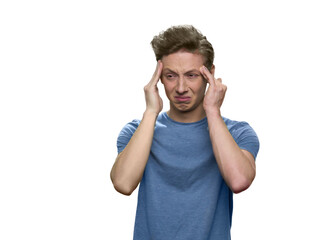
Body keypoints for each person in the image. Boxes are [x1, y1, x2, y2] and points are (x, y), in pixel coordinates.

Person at [110, 25, 260, 240]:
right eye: (171, 76)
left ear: (210, 75)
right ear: (159, 77)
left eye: (191, 75)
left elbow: (239, 181)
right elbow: (123, 184)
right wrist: (151, 111)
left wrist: (213, 111)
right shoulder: (137, 131)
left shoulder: (238, 133)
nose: (181, 88)